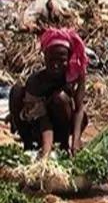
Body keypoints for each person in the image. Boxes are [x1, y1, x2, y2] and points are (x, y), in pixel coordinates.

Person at [8, 29, 89, 157]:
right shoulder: (36, 82)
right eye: (51, 60)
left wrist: (76, 140)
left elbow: (79, 109)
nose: (56, 65)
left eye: (62, 60)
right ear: (44, 58)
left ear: (68, 58)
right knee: (16, 92)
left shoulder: (75, 77)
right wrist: (46, 155)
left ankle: (63, 145)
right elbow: (43, 120)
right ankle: (28, 144)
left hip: (65, 125)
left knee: (60, 98)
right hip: (39, 128)